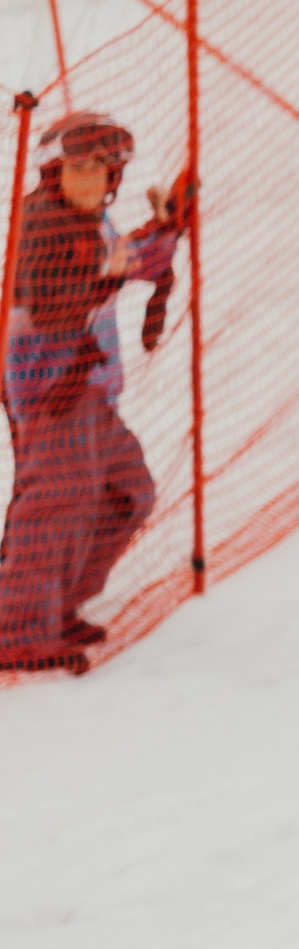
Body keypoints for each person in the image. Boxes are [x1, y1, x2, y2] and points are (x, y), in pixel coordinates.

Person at [0, 112, 183, 675]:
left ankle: (56, 605)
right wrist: (121, 269)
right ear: (54, 173)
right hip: (49, 391)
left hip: (89, 393)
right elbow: (57, 299)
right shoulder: (40, 223)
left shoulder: (92, 222)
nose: (90, 180)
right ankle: (17, 629)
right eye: (77, 168)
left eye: (102, 170)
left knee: (128, 492)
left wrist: (160, 236)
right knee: (57, 499)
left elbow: (115, 260)